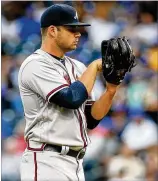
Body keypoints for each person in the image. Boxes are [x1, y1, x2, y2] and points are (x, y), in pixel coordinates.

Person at [18, 4, 120, 181]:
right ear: (52, 31)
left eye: (78, 29)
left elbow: (91, 119)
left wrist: (111, 89)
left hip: (75, 163)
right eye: (71, 29)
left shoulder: (78, 67)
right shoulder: (34, 64)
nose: (78, 33)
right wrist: (95, 66)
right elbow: (71, 99)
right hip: (45, 161)